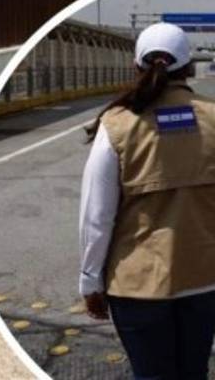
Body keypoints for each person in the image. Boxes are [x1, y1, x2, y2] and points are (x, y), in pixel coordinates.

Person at [80, 22, 215, 380]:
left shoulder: (116, 124)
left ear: (135, 66)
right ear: (188, 68)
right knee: (194, 372)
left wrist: (90, 282)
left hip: (136, 286)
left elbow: (97, 216)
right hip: (205, 280)